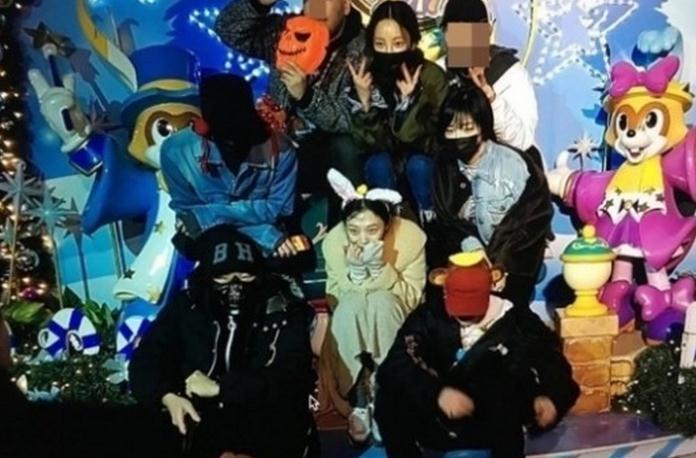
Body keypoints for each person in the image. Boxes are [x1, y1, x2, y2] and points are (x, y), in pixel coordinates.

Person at [129, 226, 318, 458]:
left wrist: (222, 388)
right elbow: (147, 358)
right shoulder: (189, 306)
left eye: (245, 276)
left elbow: (291, 377)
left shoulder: (283, 307)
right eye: (223, 277)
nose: (235, 286)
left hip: (266, 425)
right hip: (201, 423)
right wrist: (167, 396)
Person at [375, 251, 579, 458]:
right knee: (389, 398)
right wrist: (437, 393)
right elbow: (398, 361)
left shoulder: (518, 320)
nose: (465, 315)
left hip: (495, 422)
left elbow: (552, 360)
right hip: (438, 414)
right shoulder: (428, 315)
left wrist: (551, 397)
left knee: (501, 382)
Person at [215, 0, 366, 221]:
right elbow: (228, 29)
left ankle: (346, 228)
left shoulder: (363, 50)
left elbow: (350, 120)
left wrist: (307, 97)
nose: (318, 7)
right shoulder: (286, 30)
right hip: (279, 144)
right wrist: (260, 3)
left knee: (345, 146)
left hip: (325, 151)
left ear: (346, 6)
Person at [321, 168, 427, 443]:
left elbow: (412, 297)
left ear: (387, 226)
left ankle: (385, 394)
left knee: (381, 301)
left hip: (396, 313)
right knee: (350, 306)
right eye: (354, 231)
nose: (362, 239)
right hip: (353, 317)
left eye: (372, 230)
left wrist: (380, 269)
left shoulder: (410, 239)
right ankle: (359, 396)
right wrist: (356, 272)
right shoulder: (335, 243)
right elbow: (335, 297)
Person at [430, 84, 552, 306]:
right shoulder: (443, 164)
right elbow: (445, 220)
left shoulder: (516, 164)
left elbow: (532, 219)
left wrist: (501, 265)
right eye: (451, 130)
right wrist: (472, 251)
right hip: (464, 261)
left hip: (512, 264)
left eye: (467, 128)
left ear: (482, 126)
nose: (458, 136)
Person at [160, 73, 302, 258]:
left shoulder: (281, 150)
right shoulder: (175, 151)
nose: (234, 142)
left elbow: (280, 208)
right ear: (205, 129)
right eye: (226, 135)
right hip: (215, 237)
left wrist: (210, 215)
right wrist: (262, 234)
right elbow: (188, 216)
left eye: (241, 130)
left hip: (262, 231)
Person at [346, 1, 448, 224]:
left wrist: (409, 104)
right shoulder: (365, 79)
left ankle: (432, 224)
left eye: (398, 43)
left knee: (418, 165)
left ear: (413, 42)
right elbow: (367, 145)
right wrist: (365, 103)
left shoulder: (432, 77)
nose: (389, 52)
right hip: (385, 167)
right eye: (380, 44)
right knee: (378, 163)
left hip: (423, 164)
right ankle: (390, 222)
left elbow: (432, 141)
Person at [440, 0, 541, 164]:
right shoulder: (439, 72)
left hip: (504, 166)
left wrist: (491, 100)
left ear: (487, 31)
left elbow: (522, 140)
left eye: (470, 32)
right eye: (454, 32)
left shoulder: (509, 73)